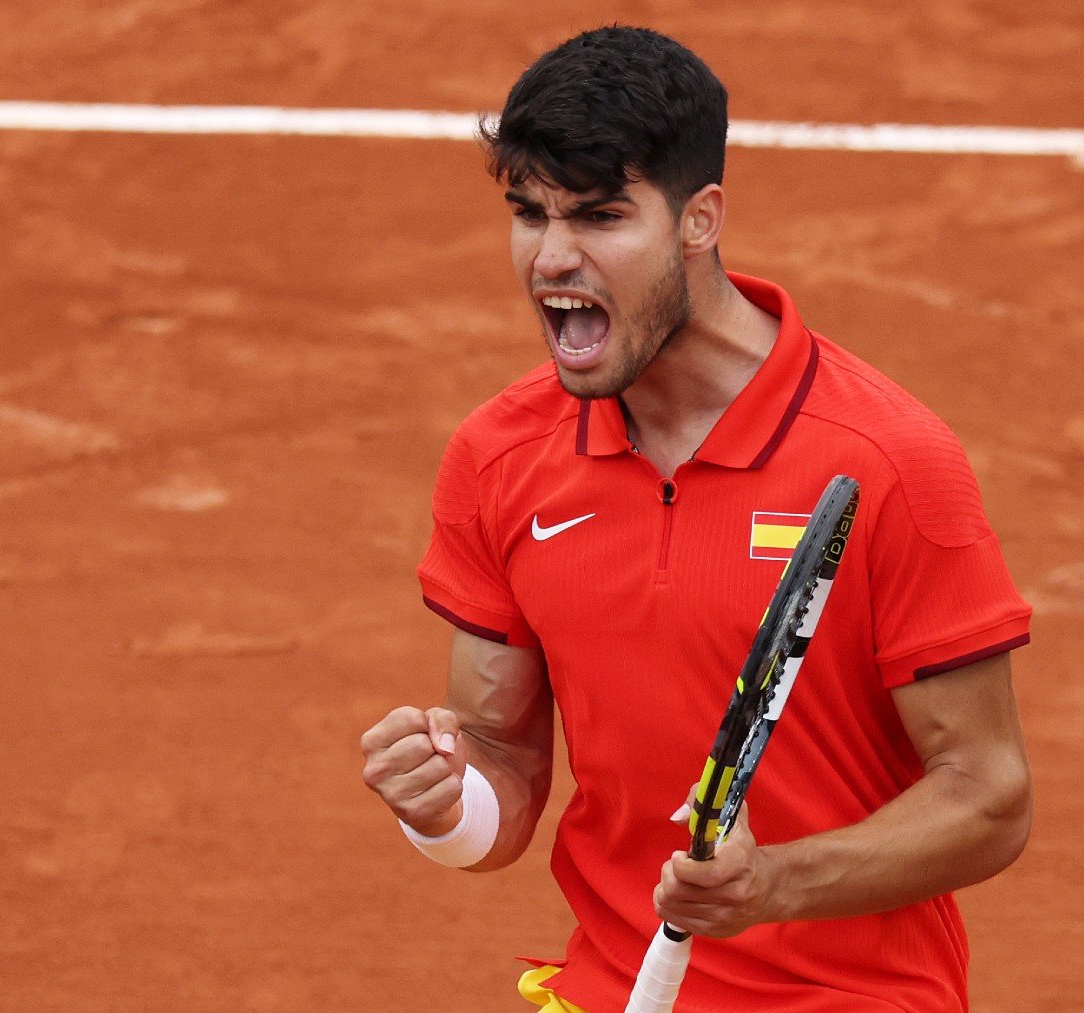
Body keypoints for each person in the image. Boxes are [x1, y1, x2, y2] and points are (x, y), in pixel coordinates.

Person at [359, 25, 1033, 1012]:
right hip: (613, 987)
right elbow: (501, 766)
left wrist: (773, 886)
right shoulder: (499, 460)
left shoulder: (885, 460)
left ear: (699, 219)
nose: (553, 257)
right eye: (528, 213)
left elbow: (990, 797)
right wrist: (440, 801)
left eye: (597, 216)